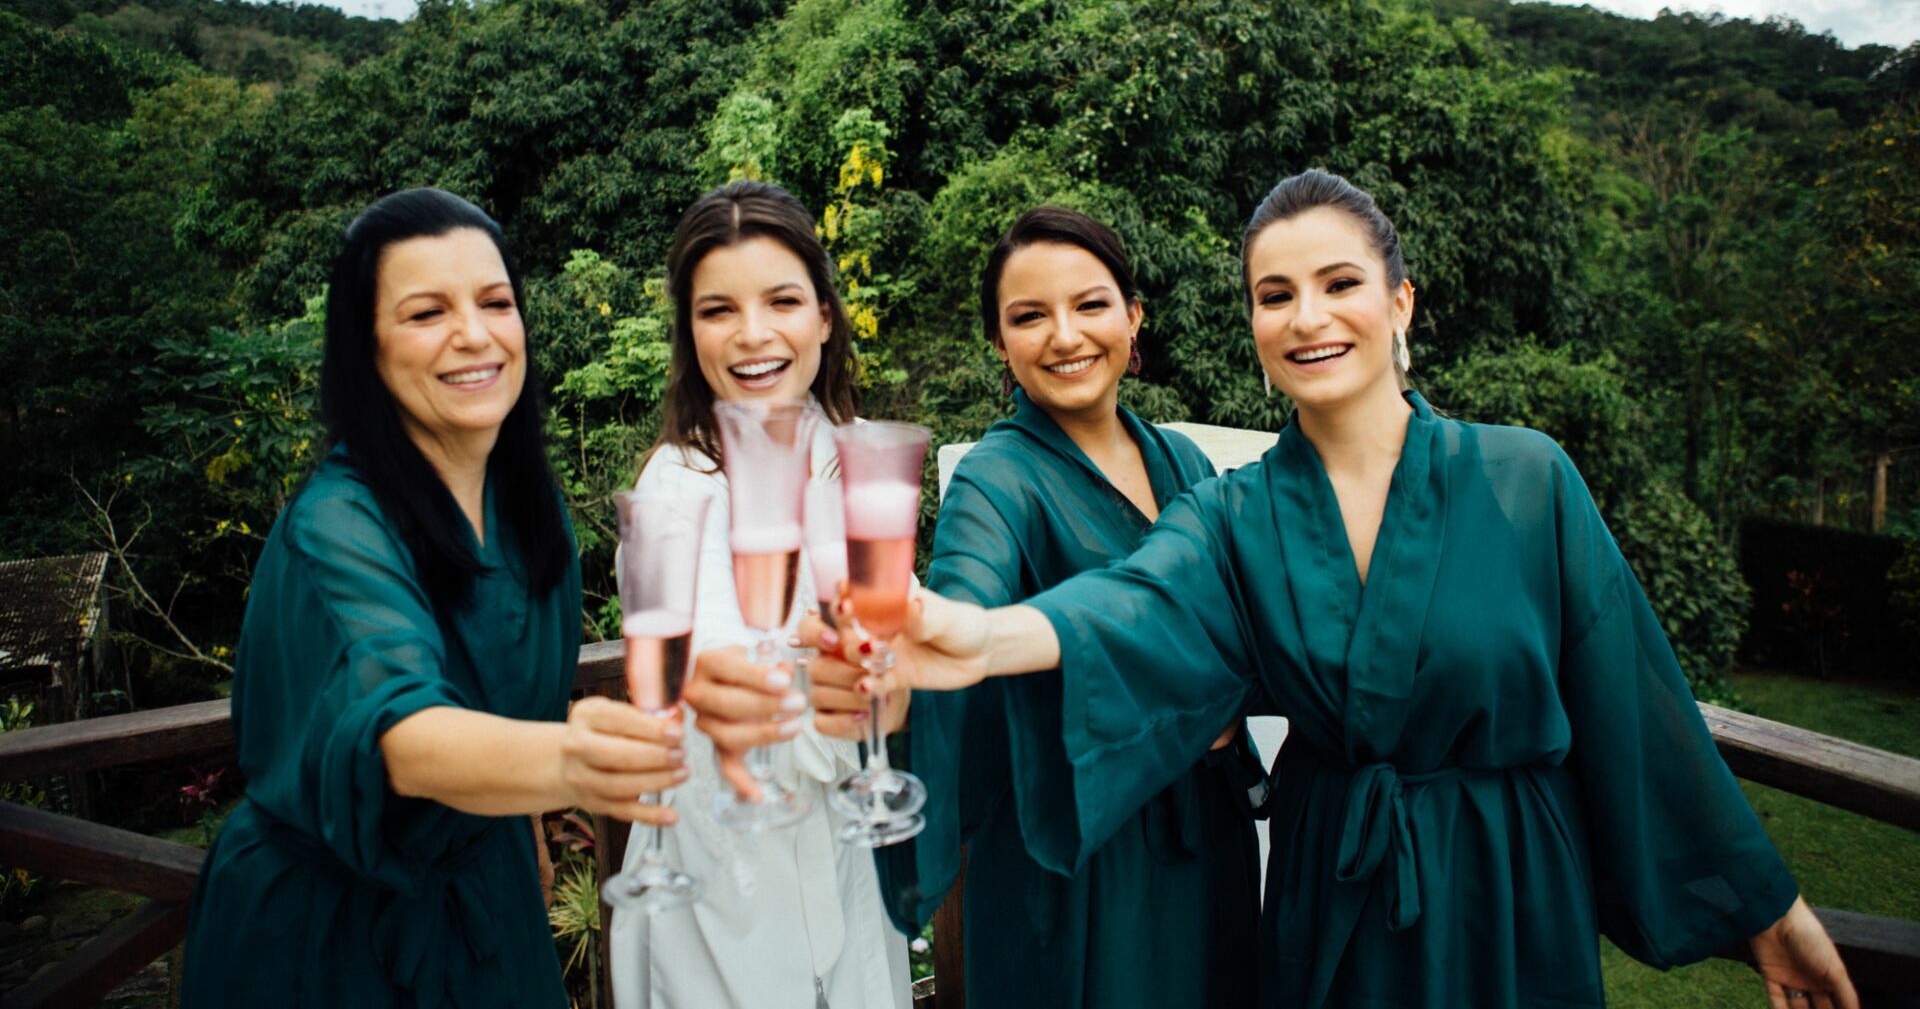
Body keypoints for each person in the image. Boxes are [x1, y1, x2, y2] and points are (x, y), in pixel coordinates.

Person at [729, 170, 1861, 1009]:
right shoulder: (1234, 508)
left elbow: (1638, 707)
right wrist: (965, 634)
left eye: (1338, 284)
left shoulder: (1527, 478)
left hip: (1504, 893)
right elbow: (1134, 604)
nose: (1309, 316)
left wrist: (1767, 906)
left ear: (1402, 300)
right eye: (1277, 294)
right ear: (1255, 325)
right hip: (1335, 893)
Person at [183, 189, 686, 1009]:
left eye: (496, 302)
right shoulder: (338, 524)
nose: (475, 334)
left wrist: (520, 818)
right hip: (332, 944)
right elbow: (402, 730)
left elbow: (504, 692)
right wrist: (569, 761)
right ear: (367, 349)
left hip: (488, 901)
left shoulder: (531, 513)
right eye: (426, 313)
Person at [803, 206, 1263, 1008]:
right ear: (1001, 346)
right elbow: (966, 597)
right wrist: (918, 663)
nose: (1065, 336)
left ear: (1133, 316)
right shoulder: (996, 476)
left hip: (1203, 842)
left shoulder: (1181, 459)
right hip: (1078, 858)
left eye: (1089, 305)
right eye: (1029, 317)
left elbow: (1241, 628)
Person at [613, 180, 910, 1009]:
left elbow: (890, 697)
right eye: (717, 310)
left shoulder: (859, 464)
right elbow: (699, 683)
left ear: (823, 314)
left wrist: (888, 681)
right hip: (718, 883)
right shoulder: (672, 486)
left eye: (782, 300)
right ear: (689, 331)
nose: (753, 335)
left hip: (846, 874)